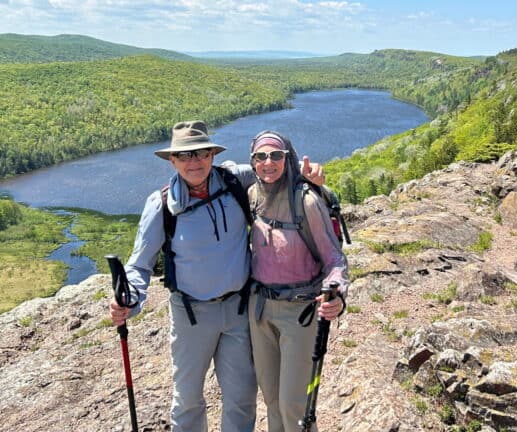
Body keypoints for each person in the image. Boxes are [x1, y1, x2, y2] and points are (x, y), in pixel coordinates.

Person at [108, 120, 324, 432]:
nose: (193, 162)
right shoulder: (162, 204)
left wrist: (312, 176)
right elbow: (140, 264)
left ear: (212, 155)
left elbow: (276, 166)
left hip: (238, 311)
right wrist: (131, 300)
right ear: (172, 160)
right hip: (191, 316)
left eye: (201, 153)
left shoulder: (235, 180)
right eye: (184, 156)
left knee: (241, 398)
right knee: (188, 399)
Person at [246, 130, 349, 432]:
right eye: (260, 156)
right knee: (271, 399)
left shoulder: (305, 201)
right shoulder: (252, 195)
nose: (268, 162)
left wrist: (338, 294)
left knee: (294, 404)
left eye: (276, 155)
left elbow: (335, 258)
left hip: (300, 312)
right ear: (252, 162)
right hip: (260, 309)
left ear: (287, 158)